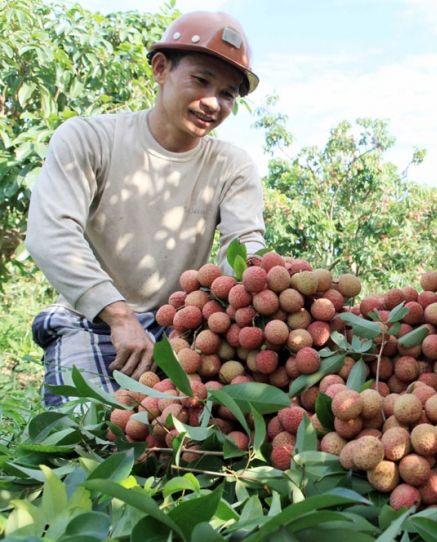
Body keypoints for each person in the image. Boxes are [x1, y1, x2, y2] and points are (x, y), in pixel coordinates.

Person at [25, 11, 266, 407]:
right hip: (92, 316)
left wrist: (266, 291)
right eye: (201, 80)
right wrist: (119, 317)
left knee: (203, 422)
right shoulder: (89, 138)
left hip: (178, 324)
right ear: (159, 69)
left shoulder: (232, 166)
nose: (213, 103)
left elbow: (243, 247)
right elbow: (51, 233)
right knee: (85, 432)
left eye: (227, 94)